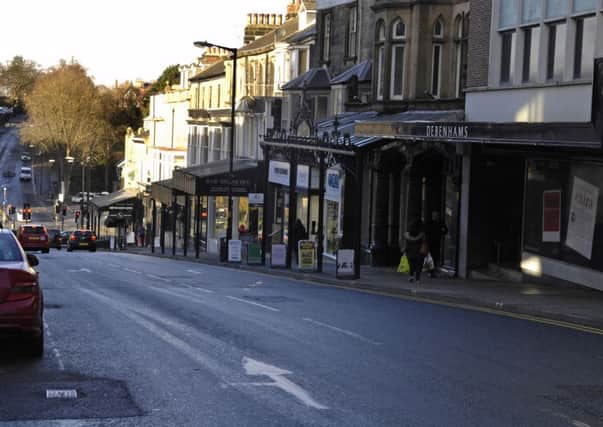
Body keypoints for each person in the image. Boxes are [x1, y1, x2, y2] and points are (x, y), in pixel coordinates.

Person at [404, 219, 427, 284]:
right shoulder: (422, 234)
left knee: (411, 264)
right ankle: (417, 279)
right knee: (419, 265)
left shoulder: (407, 234)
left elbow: (405, 242)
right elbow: (424, 242)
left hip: (410, 251)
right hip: (419, 251)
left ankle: (411, 276)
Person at [426, 211, 448, 277]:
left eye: (436, 216)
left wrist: (441, 233)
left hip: (436, 242)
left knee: (435, 256)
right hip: (431, 241)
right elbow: (426, 230)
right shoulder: (430, 223)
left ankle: (432, 270)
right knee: (431, 257)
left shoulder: (440, 223)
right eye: (434, 216)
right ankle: (430, 270)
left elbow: (446, 230)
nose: (435, 217)